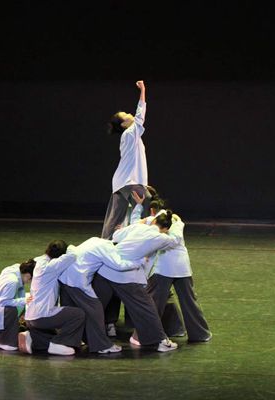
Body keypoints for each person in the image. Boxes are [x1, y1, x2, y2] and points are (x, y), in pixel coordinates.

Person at [92, 212, 183, 352]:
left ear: (154, 222)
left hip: (104, 270)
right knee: (146, 308)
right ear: (165, 229)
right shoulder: (161, 238)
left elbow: (116, 236)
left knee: (94, 306)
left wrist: (141, 222)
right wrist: (179, 223)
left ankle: (82, 338)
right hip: (124, 275)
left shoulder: (139, 227)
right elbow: (176, 240)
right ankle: (161, 341)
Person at [130, 195, 212, 342]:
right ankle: (200, 334)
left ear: (153, 211)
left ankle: (144, 336)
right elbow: (136, 225)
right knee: (189, 302)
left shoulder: (164, 221)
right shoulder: (164, 220)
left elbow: (173, 240)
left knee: (154, 303)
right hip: (181, 268)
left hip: (164, 269)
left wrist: (154, 241)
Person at [58, 237, 142, 353]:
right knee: (96, 310)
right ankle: (101, 346)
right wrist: (138, 263)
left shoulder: (96, 240)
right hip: (77, 280)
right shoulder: (107, 248)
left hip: (64, 276)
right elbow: (118, 265)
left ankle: (69, 341)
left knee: (73, 312)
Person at [101, 80, 151, 240]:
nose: (130, 114)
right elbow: (140, 116)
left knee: (114, 219)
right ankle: (140, 242)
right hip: (129, 181)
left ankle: (104, 244)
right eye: (126, 115)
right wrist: (142, 90)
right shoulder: (129, 134)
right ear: (123, 124)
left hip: (122, 182)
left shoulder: (131, 136)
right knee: (147, 201)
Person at [18, 240, 86, 356]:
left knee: (48, 336)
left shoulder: (39, 260)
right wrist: (69, 247)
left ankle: (33, 337)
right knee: (78, 314)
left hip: (30, 317)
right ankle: (60, 343)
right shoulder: (52, 266)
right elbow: (72, 255)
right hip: (41, 317)